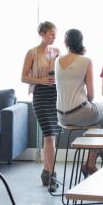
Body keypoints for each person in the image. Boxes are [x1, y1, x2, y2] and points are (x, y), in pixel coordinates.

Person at [55, 29, 103, 176]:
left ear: (66, 43)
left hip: (61, 116)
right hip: (80, 112)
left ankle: (91, 163)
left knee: (101, 121)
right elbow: (91, 95)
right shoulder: (86, 61)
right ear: (81, 42)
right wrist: (90, 103)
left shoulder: (57, 61)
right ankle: (94, 155)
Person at [21, 21, 60, 190]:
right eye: (51, 33)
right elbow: (23, 77)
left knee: (52, 136)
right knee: (49, 135)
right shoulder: (32, 53)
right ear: (42, 34)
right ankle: (51, 175)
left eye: (55, 34)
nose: (54, 37)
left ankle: (47, 171)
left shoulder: (57, 52)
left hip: (56, 95)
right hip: (40, 96)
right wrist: (42, 80)